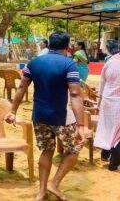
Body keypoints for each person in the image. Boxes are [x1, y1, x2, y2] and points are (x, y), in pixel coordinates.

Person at [5, 31, 85, 201]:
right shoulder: (69, 65)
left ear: (48, 44)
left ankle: (41, 191)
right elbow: (75, 95)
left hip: (39, 115)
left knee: (46, 150)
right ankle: (53, 184)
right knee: (74, 148)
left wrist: (13, 111)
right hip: (61, 117)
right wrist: (81, 125)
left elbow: (21, 88)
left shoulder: (34, 62)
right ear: (67, 47)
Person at [94, 52, 120, 171]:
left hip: (107, 98)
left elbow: (102, 81)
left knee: (108, 127)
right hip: (117, 101)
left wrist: (99, 100)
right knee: (118, 134)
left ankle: (104, 155)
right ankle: (113, 163)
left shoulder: (110, 61)